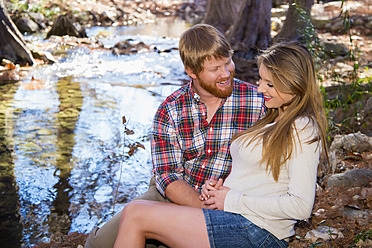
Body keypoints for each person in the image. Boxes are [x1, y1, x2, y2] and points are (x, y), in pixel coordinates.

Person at [113, 41, 329, 248]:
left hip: (257, 231)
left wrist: (232, 199)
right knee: (134, 212)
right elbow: (264, 180)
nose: (260, 88)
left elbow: (301, 206)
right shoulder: (274, 118)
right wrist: (218, 191)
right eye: (260, 79)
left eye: (270, 84)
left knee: (135, 215)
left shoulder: (303, 127)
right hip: (235, 218)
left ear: (295, 84)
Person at [85, 24, 265, 248]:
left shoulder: (258, 102)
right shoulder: (170, 109)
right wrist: (200, 206)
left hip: (227, 200)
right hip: (176, 192)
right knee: (100, 244)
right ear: (191, 71)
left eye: (228, 62)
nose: (225, 73)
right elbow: (167, 174)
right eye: (215, 69)